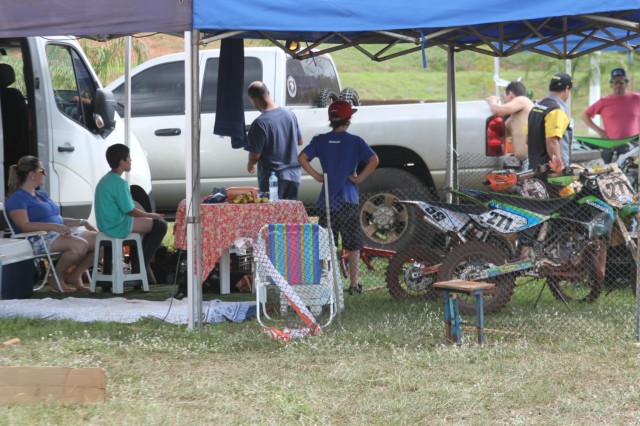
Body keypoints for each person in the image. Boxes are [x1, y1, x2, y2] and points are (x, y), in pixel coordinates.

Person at [298, 100, 379, 295]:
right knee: (352, 243)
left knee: (328, 243)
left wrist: (318, 176)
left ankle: (330, 284)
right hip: (348, 198)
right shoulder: (355, 141)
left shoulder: (320, 140)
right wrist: (358, 178)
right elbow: (374, 159)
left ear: (330, 120)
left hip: (327, 199)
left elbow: (302, 157)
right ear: (348, 120)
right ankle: (353, 284)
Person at [5, 156, 98, 293]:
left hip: (56, 233)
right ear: (32, 174)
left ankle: (75, 275)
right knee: (80, 245)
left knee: (101, 241)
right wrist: (53, 226)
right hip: (36, 238)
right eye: (42, 170)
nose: (45, 174)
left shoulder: (41, 194)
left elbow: (58, 219)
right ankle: (55, 277)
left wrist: (82, 222)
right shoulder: (17, 199)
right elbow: (24, 225)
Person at [94, 144, 167, 284]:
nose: (131, 160)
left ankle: (139, 265)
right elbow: (131, 211)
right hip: (118, 225)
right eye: (128, 157)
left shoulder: (105, 180)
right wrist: (153, 215)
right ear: (122, 162)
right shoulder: (119, 183)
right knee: (160, 226)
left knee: (150, 227)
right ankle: (140, 265)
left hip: (106, 225)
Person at [246, 81, 304, 200]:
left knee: (273, 216)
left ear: (253, 99)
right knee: (289, 216)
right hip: (294, 176)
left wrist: (250, 164)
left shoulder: (260, 123)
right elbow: (300, 141)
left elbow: (255, 155)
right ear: (268, 93)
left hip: (273, 179)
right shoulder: (290, 114)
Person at [581, 68, 640, 163]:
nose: (618, 85)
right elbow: (584, 115)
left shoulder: (636, 98)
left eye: (621, 82)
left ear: (626, 83)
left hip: (634, 146)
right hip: (612, 147)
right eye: (614, 82)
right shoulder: (604, 101)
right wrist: (600, 131)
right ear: (611, 85)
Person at [527, 72, 573, 172]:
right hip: (550, 173)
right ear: (566, 89)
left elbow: (527, 139)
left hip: (534, 168)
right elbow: (551, 141)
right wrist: (559, 169)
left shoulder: (536, 107)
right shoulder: (556, 110)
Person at [486, 81, 534, 169]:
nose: (504, 101)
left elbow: (498, 111)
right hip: (523, 161)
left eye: (505, 98)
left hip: (530, 159)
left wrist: (492, 101)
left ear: (511, 95)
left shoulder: (522, 100)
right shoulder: (514, 117)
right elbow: (501, 132)